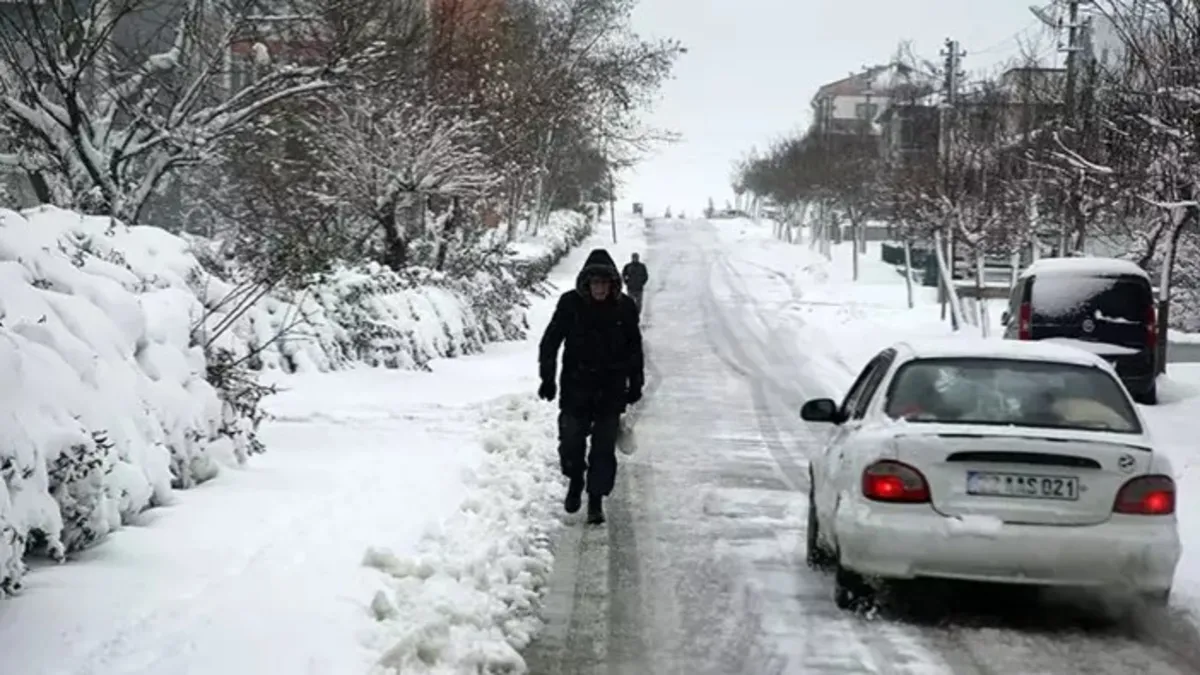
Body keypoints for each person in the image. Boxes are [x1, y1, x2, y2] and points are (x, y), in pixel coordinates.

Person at [538, 249, 645, 525]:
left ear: (612, 284)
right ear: (586, 284)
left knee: (603, 448)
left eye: (604, 283)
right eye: (594, 283)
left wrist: (636, 382)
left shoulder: (624, 308)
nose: (599, 288)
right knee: (571, 443)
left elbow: (635, 348)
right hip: (576, 387)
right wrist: (547, 377)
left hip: (610, 390)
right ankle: (575, 479)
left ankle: (596, 500)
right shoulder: (570, 304)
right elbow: (550, 341)